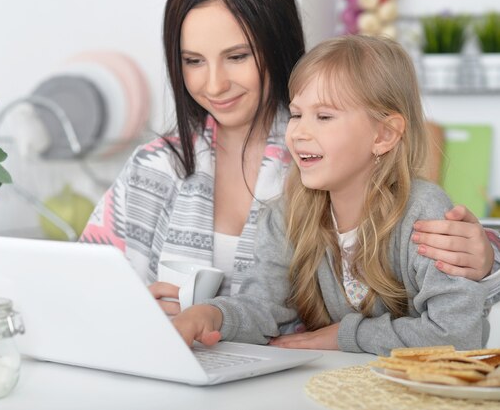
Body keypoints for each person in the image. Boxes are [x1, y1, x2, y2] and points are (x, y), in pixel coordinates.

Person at [81, 0, 500, 316]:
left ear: (277, 44)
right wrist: (138, 311)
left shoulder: (330, 152)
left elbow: (414, 258)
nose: (213, 84)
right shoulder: (154, 168)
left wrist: (485, 260)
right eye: (192, 61)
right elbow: (80, 286)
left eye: (237, 56)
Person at [170, 35, 492, 356]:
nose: (299, 133)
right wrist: (213, 315)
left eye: (323, 117)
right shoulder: (286, 215)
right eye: (296, 114)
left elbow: (458, 334)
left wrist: (344, 336)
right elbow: (262, 309)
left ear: (384, 134)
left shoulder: (424, 213)